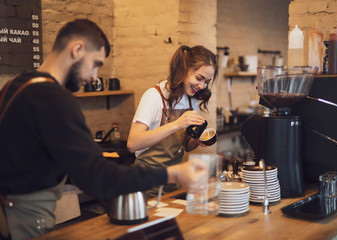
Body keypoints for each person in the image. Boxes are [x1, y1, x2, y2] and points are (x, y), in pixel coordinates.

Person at [0, 19, 208, 240]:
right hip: (24, 221)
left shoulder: (16, 85)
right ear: (77, 49)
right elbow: (96, 175)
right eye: (96, 63)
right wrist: (173, 174)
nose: (94, 76)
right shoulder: (54, 99)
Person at [127, 45, 218, 197]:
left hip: (173, 182)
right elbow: (132, 143)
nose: (202, 86)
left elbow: (186, 147)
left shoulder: (191, 101)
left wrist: (197, 140)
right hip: (147, 183)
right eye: (199, 78)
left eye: (207, 82)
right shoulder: (154, 96)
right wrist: (177, 124)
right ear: (183, 69)